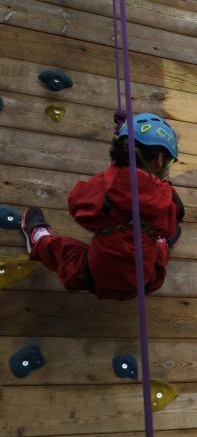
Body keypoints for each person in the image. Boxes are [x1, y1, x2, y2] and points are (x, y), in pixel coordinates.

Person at [21, 113, 184, 300]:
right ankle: (162, 243)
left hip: (96, 275)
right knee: (164, 237)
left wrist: (123, 150)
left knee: (64, 252)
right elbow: (171, 211)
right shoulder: (166, 200)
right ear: (160, 160)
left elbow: (77, 205)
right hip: (144, 282)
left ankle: (39, 240)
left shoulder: (104, 187)